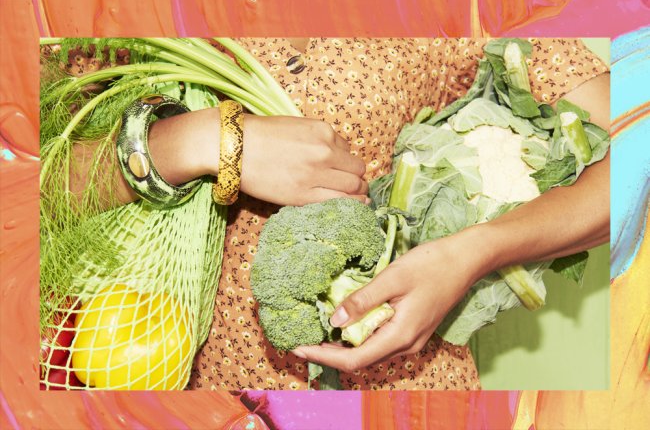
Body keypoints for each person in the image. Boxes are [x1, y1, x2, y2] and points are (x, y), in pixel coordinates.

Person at [68, 38, 610, 390]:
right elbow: (38, 191)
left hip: (405, 389)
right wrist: (197, 138)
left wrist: (472, 252)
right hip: (174, 377)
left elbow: (629, 163)